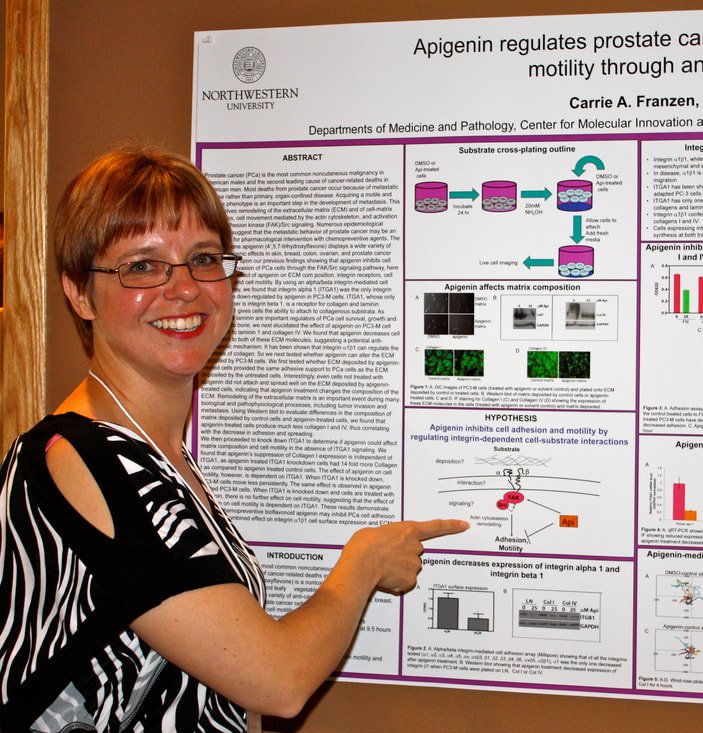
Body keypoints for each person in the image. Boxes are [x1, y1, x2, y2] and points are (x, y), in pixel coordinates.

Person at [0, 147, 467, 731]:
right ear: (77, 292)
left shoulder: (152, 451)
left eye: (203, 258)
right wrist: (365, 560)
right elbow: (280, 680)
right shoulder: (88, 461)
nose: (184, 288)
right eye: (142, 266)